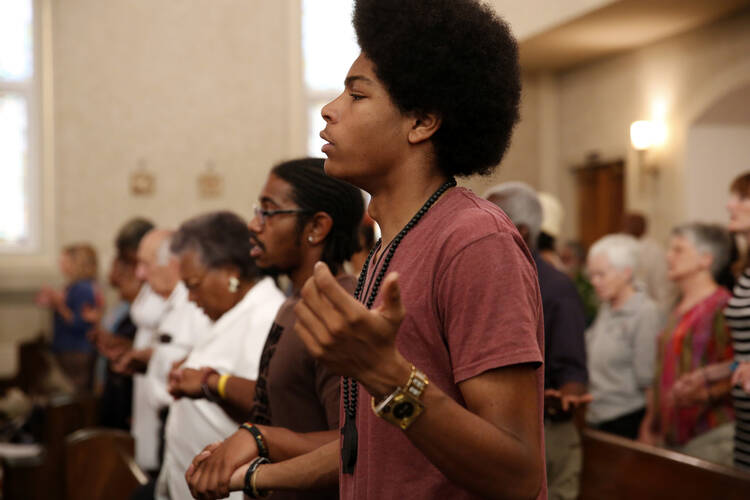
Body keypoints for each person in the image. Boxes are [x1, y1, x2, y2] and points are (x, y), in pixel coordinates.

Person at [200, 1, 546, 498]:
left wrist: (384, 373)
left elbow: (517, 471)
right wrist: (259, 463)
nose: (329, 108)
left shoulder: (474, 241)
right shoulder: (393, 245)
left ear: (422, 121)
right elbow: (380, 444)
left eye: (357, 94)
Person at [186, 158, 365, 500]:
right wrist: (217, 400)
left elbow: (355, 440)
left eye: (269, 212)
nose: (254, 224)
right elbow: (277, 407)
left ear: (316, 227)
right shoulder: (293, 302)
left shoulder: (338, 307)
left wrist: (260, 438)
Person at [155, 211, 285, 500]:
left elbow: (266, 406)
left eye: (193, 285)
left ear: (231, 273)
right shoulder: (233, 313)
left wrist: (207, 383)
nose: (189, 297)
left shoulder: (264, 317)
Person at [486, 182, 588, 500]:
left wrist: (565, 397)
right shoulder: (488, 277)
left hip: (544, 432)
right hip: (493, 431)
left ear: (523, 232)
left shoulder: (556, 288)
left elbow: (572, 370)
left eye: (491, 223)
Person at [639, 223, 735, 466]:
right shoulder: (679, 305)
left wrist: (707, 391)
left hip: (709, 434)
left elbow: (738, 365)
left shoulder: (722, 306)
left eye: (678, 250)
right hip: (673, 435)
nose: (668, 256)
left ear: (705, 259)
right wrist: (652, 420)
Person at [585, 234, 664, 439]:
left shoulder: (645, 312)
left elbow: (650, 380)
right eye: (592, 275)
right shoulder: (607, 306)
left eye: (601, 274)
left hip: (627, 417)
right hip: (597, 415)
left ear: (626, 272)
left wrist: (650, 424)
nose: (595, 282)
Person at [36, 243, 102, 391]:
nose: (61, 265)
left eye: (64, 261)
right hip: (70, 348)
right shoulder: (74, 286)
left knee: (76, 395)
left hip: (76, 349)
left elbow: (81, 323)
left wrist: (59, 304)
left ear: (76, 263)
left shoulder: (83, 288)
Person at [622, 212, 678, 313]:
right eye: (628, 224)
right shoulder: (624, 248)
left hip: (653, 308)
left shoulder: (655, 251)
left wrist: (660, 313)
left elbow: (662, 286)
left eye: (634, 224)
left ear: (644, 228)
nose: (630, 227)